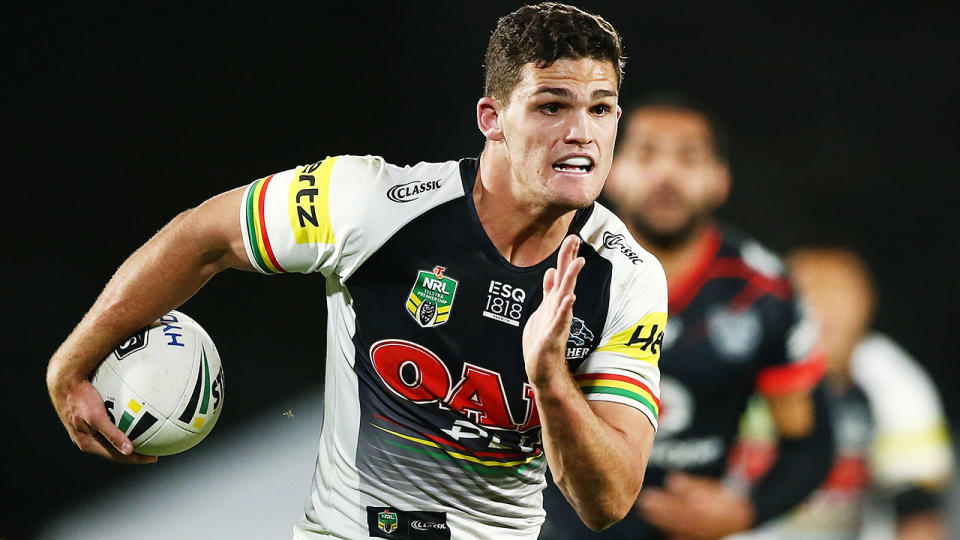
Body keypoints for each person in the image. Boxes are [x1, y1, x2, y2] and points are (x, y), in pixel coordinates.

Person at [45, 4, 669, 539]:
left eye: (602, 109)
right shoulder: (370, 203)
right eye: (552, 106)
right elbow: (202, 237)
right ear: (492, 119)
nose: (581, 133)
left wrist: (552, 381)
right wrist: (72, 364)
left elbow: (607, 503)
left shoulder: (628, 278)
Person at [540, 92, 835, 539]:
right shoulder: (552, 267)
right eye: (646, 154)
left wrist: (743, 513)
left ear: (720, 179)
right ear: (612, 171)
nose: (666, 174)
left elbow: (809, 443)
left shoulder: (761, 291)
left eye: (688, 158)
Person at [727, 245, 955, 540]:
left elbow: (919, 512)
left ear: (869, 302)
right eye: (809, 287)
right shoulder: (729, 358)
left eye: (840, 290)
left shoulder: (891, 378)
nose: (825, 304)